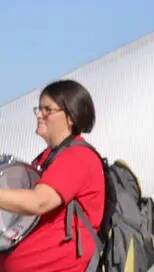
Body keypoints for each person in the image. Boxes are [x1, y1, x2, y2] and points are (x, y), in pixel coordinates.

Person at [0, 81, 105, 272]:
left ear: (71, 117)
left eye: (47, 109)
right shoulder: (47, 157)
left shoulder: (78, 158)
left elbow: (38, 202)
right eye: (38, 109)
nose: (39, 115)